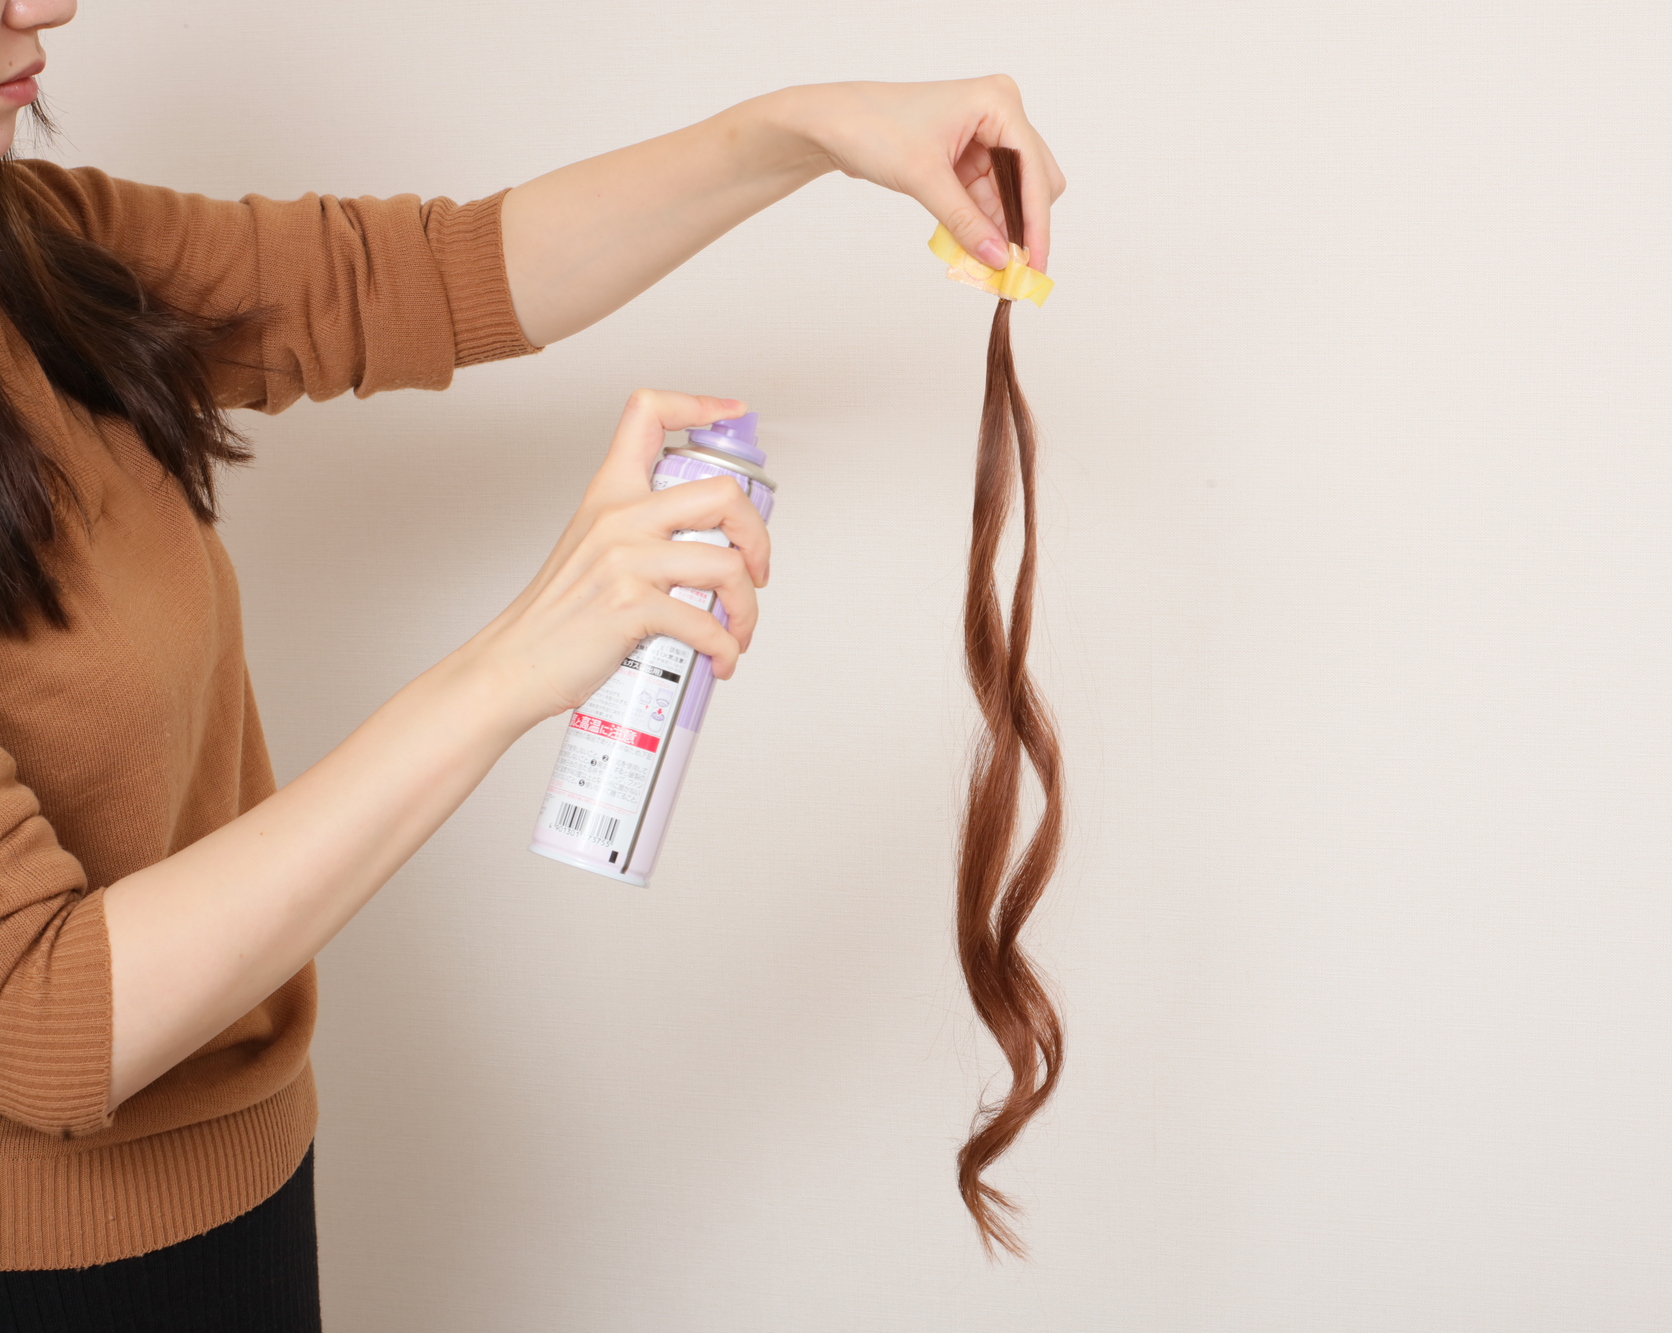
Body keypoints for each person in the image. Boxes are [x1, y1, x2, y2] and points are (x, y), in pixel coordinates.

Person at [0, 0, 1065, 1323]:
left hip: (241, 1205)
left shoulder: (41, 251)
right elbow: (45, 1028)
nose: (47, 1)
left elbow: (411, 278)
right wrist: (520, 657)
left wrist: (801, 130)